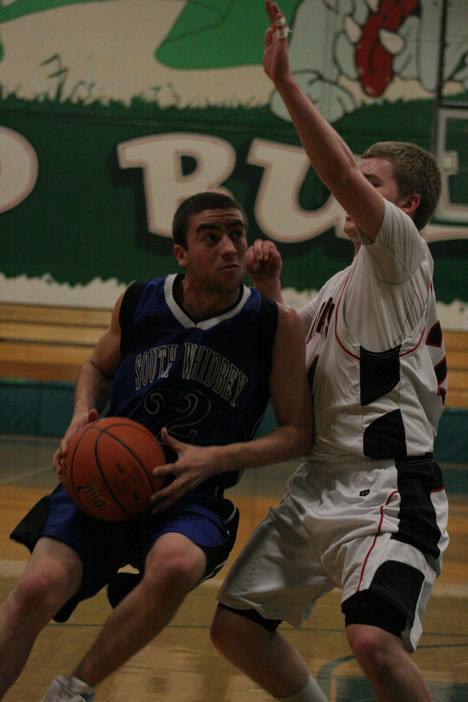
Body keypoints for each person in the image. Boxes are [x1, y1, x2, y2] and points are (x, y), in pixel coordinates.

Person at [206, 4, 449, 702]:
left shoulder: (402, 253)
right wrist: (272, 288)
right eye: (361, 179)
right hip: (318, 482)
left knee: (372, 638)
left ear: (408, 206)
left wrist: (287, 87)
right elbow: (289, 348)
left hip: (389, 487)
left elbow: (338, 172)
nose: (353, 187)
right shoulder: (344, 285)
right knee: (234, 627)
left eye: (373, 183)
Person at [0, 190, 312, 702]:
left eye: (236, 233)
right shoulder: (142, 300)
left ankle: (73, 688)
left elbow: (298, 432)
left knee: (177, 566)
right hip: (106, 481)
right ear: (181, 254)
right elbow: (97, 367)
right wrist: (82, 416)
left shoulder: (276, 325)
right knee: (36, 588)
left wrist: (216, 458)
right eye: (211, 238)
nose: (230, 247)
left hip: (189, 497)